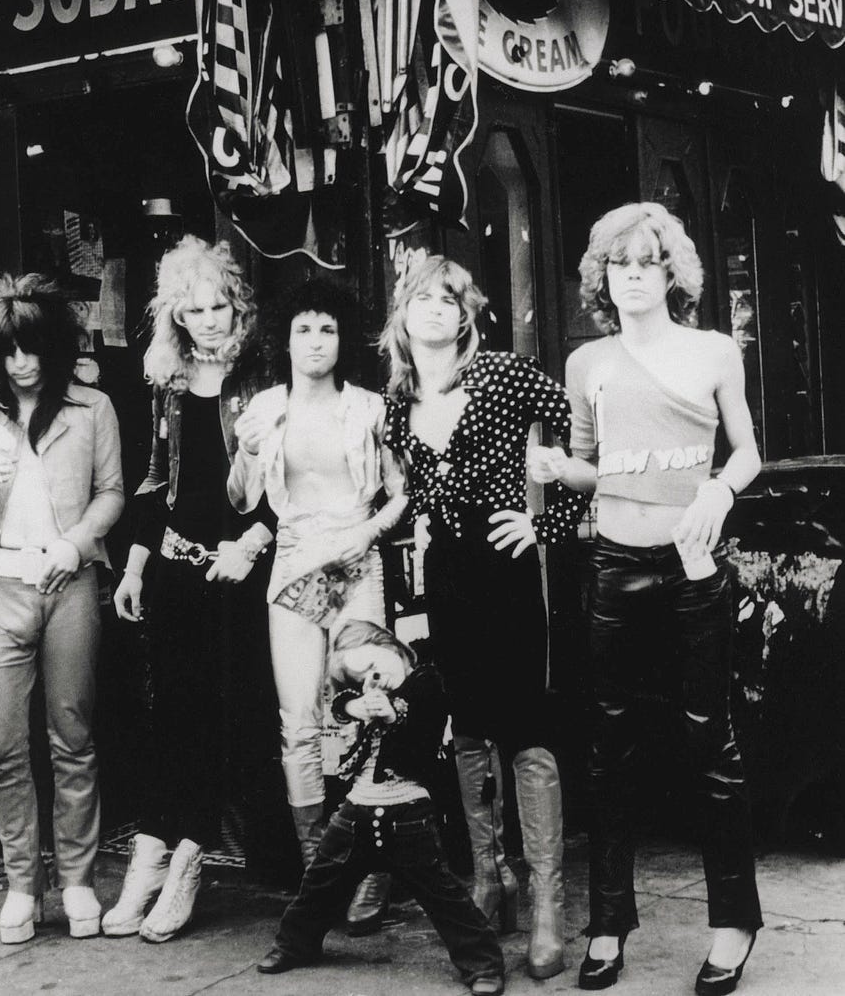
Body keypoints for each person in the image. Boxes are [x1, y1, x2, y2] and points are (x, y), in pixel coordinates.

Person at [529, 202, 762, 994]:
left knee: (710, 740)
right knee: (610, 748)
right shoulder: (586, 361)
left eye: (645, 263)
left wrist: (719, 495)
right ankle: (606, 925)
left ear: (672, 273)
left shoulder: (713, 350)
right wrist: (563, 471)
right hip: (613, 567)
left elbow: (749, 454)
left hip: (694, 564)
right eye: (617, 264)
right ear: (602, 277)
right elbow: (598, 466)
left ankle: (733, 926)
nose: (631, 275)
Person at [381, 254, 587, 981]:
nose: (434, 309)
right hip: (448, 575)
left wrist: (548, 524)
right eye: (421, 299)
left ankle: (547, 906)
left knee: (525, 726)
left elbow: (578, 431)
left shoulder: (503, 372)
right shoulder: (396, 395)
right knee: (466, 726)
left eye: (448, 299)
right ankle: (489, 878)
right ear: (402, 315)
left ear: (466, 314)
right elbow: (408, 493)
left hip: (507, 566)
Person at [0, 274, 124, 945]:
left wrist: (76, 548)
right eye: (9, 349)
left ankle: (76, 881)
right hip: (1, 586)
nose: (23, 362)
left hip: (68, 585)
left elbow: (112, 494)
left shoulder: (91, 406)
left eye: (34, 347)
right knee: (0, 740)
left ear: (53, 347)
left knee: (72, 736)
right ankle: (22, 885)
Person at [104, 236, 275, 942]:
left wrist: (254, 537)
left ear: (238, 306)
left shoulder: (264, 378)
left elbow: (285, 488)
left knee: (213, 721)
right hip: (175, 569)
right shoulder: (167, 384)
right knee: (168, 717)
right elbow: (152, 483)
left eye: (218, 306)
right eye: (194, 309)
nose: (208, 319)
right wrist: (135, 568)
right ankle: (148, 853)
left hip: (236, 575)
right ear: (175, 316)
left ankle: (188, 864)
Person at [227, 277, 407, 932]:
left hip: (358, 567)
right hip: (295, 569)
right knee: (297, 724)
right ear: (285, 337)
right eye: (303, 328)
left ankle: (374, 866)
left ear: (342, 339)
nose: (314, 340)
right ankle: (317, 868)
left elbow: (398, 493)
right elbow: (244, 499)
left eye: (326, 328)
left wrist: (364, 531)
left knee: (371, 714)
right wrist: (246, 452)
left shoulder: (368, 408)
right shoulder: (264, 407)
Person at [256, 619, 506, 996]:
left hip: (408, 810)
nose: (373, 676)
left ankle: (482, 963)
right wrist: (356, 704)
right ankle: (295, 943)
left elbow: (420, 716)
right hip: (357, 810)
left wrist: (391, 715)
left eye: (374, 663)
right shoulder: (361, 694)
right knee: (319, 885)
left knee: (443, 894)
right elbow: (339, 705)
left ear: (391, 646)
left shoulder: (426, 681)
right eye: (358, 674)